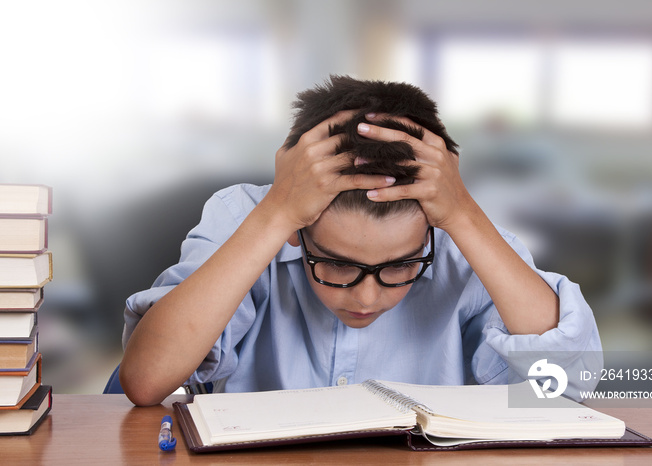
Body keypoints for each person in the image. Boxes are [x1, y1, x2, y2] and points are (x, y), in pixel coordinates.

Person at [120, 75, 602, 407]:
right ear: (300, 231)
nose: (367, 298)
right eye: (336, 264)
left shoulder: (462, 234)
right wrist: (278, 214)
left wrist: (464, 215)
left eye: (400, 266)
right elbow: (146, 381)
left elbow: (568, 384)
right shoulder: (251, 217)